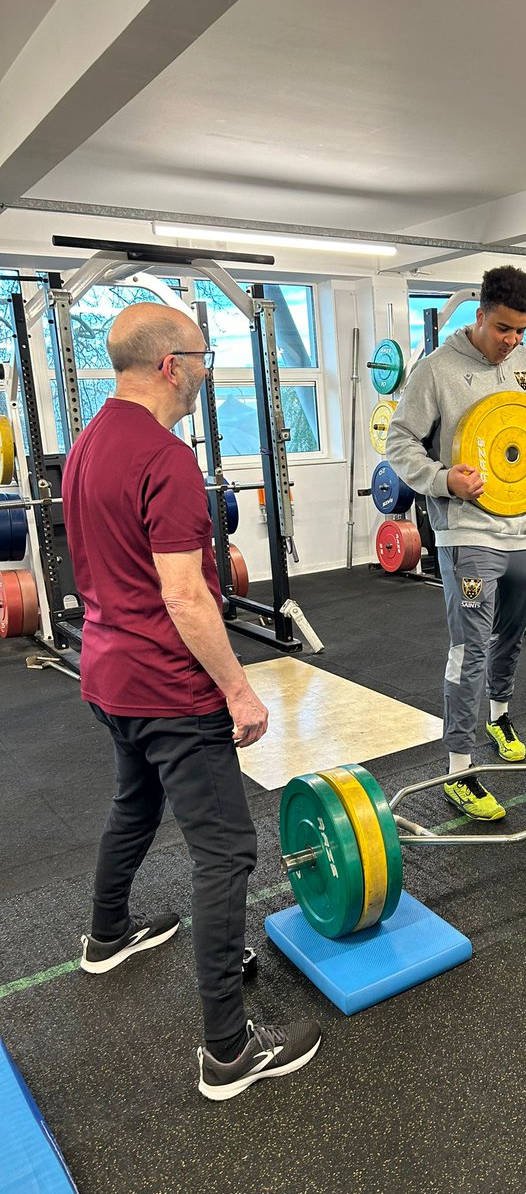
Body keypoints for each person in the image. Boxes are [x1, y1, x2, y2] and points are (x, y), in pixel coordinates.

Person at [62, 302, 321, 1100]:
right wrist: (238, 690)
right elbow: (184, 595)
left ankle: (105, 935)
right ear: (173, 364)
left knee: (134, 806)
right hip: (170, 690)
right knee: (227, 855)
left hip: (107, 676)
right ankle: (228, 1051)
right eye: (206, 355)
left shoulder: (85, 444)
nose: (211, 370)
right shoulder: (166, 458)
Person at [385, 266, 526, 821]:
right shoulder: (436, 370)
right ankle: (459, 769)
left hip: (523, 527)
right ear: (480, 316)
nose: (511, 342)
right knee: (469, 649)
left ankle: (499, 712)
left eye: (521, 331)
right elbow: (400, 443)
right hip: (466, 530)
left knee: (512, 631)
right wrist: (445, 480)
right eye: (503, 330)